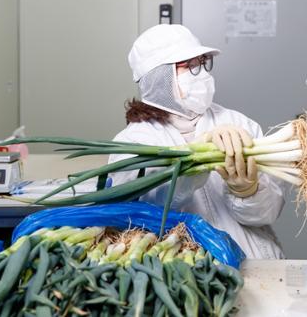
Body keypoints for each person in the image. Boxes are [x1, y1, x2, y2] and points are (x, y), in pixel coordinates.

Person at [109, 24, 286, 259]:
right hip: (182, 273)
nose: (202, 73)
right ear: (158, 77)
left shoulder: (237, 123)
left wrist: (247, 191)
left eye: (202, 62)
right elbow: (144, 213)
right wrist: (188, 167)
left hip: (255, 265)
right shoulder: (132, 142)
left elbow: (269, 213)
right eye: (190, 66)